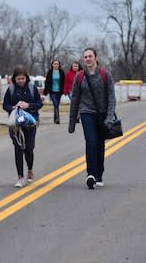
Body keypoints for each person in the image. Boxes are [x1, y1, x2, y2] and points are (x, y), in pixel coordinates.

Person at [68, 47, 116, 189]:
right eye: (85, 57)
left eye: (90, 56)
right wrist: (72, 123)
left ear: (96, 57)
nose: (88, 59)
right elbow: (75, 99)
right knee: (91, 142)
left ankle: (99, 174)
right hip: (86, 112)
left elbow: (111, 97)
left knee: (100, 145)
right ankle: (91, 175)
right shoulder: (80, 76)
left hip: (102, 114)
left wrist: (109, 117)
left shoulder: (105, 74)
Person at [3, 66, 43, 188]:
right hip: (16, 124)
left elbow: (39, 104)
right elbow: (5, 105)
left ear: (26, 78)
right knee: (18, 148)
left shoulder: (32, 88)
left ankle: (30, 170)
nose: (21, 81)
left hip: (30, 122)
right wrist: (13, 107)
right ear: (14, 79)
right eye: (18, 78)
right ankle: (20, 177)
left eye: (23, 78)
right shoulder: (10, 89)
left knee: (29, 149)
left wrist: (28, 105)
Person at [44, 59, 65, 124]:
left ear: (59, 65)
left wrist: (64, 90)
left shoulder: (61, 72)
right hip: (52, 90)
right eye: (55, 64)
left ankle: (55, 118)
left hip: (59, 91)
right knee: (55, 104)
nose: (56, 65)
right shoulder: (50, 72)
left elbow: (64, 82)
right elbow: (47, 81)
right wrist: (46, 90)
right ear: (52, 65)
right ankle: (57, 118)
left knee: (57, 105)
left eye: (57, 64)